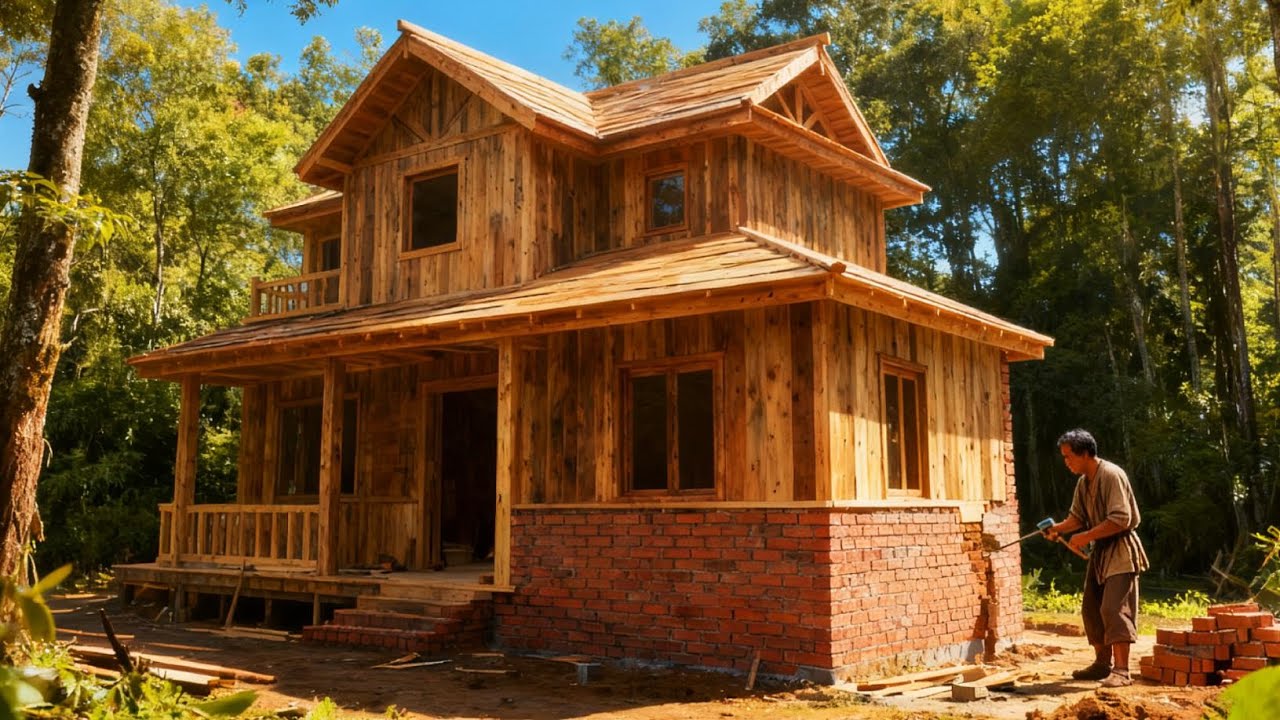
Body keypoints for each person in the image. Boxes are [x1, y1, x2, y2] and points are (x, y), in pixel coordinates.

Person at [1045, 428, 1150, 688]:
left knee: (1114, 608)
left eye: (1069, 456)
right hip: (1101, 554)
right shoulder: (1083, 483)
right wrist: (1057, 528)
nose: (1066, 462)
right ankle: (1102, 664)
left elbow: (1121, 518)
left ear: (1085, 453)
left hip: (1121, 551)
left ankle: (1122, 671)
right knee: (1091, 609)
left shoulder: (1112, 474)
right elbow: (1077, 518)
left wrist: (1086, 536)